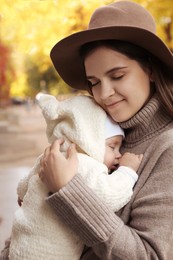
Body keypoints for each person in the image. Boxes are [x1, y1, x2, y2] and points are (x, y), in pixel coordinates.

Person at [1, 0, 173, 259]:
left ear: (149, 69)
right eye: (93, 82)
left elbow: (148, 254)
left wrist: (67, 191)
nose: (104, 94)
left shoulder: (167, 149)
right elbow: (38, 223)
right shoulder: (93, 129)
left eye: (117, 76)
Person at [8, 94, 142, 260]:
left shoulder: (50, 157)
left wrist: (26, 196)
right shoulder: (85, 164)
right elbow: (110, 196)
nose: (118, 154)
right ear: (87, 140)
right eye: (112, 146)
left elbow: (23, 188)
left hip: (21, 244)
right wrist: (127, 170)